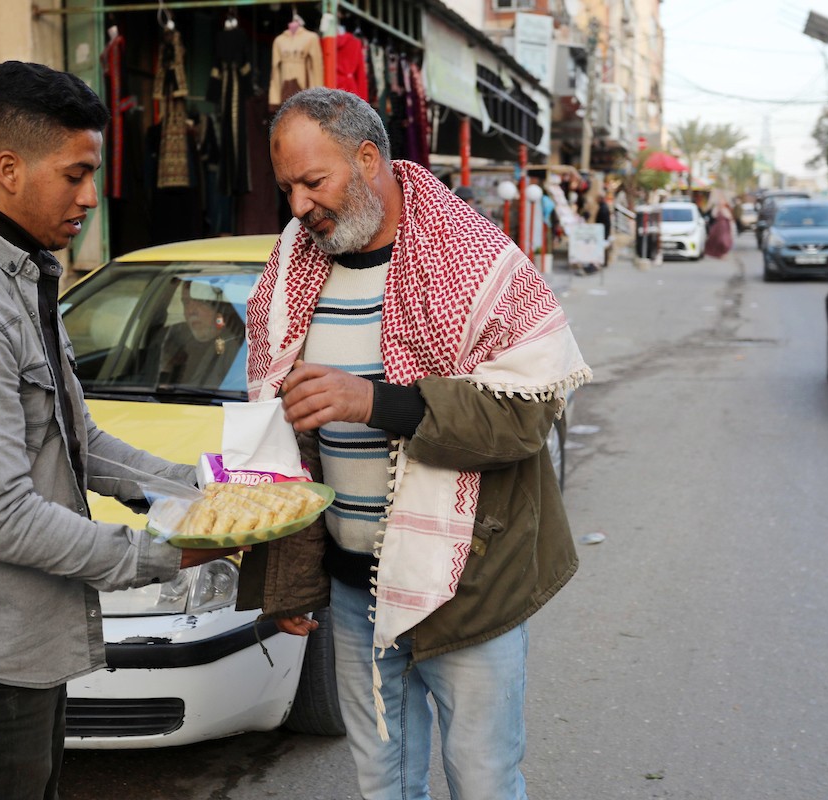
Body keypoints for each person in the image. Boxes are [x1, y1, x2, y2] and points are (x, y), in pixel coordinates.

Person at [0, 61, 237, 800]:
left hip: (19, 653)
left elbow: (82, 444)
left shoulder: (22, 279)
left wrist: (206, 493)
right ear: (9, 169)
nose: (90, 197)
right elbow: (1, 517)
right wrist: (167, 553)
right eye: (75, 174)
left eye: (92, 174)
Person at [238, 87, 592, 799]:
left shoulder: (475, 257)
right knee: (384, 785)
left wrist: (373, 401)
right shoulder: (292, 268)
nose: (299, 206)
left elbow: (525, 419)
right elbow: (284, 445)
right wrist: (288, 572)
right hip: (353, 592)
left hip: (470, 589)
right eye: (287, 189)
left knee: (484, 782)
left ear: (368, 160)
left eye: (314, 182)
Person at [158, 278, 247, 387]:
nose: (191, 311)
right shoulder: (176, 337)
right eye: (186, 303)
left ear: (219, 307)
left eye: (200, 302)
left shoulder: (236, 346)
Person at [705, 191, 734, 259]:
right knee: (716, 240)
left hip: (724, 228)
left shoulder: (726, 210)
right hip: (718, 228)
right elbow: (713, 215)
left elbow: (730, 218)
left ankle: (723, 253)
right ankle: (719, 253)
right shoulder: (716, 209)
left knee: (724, 240)